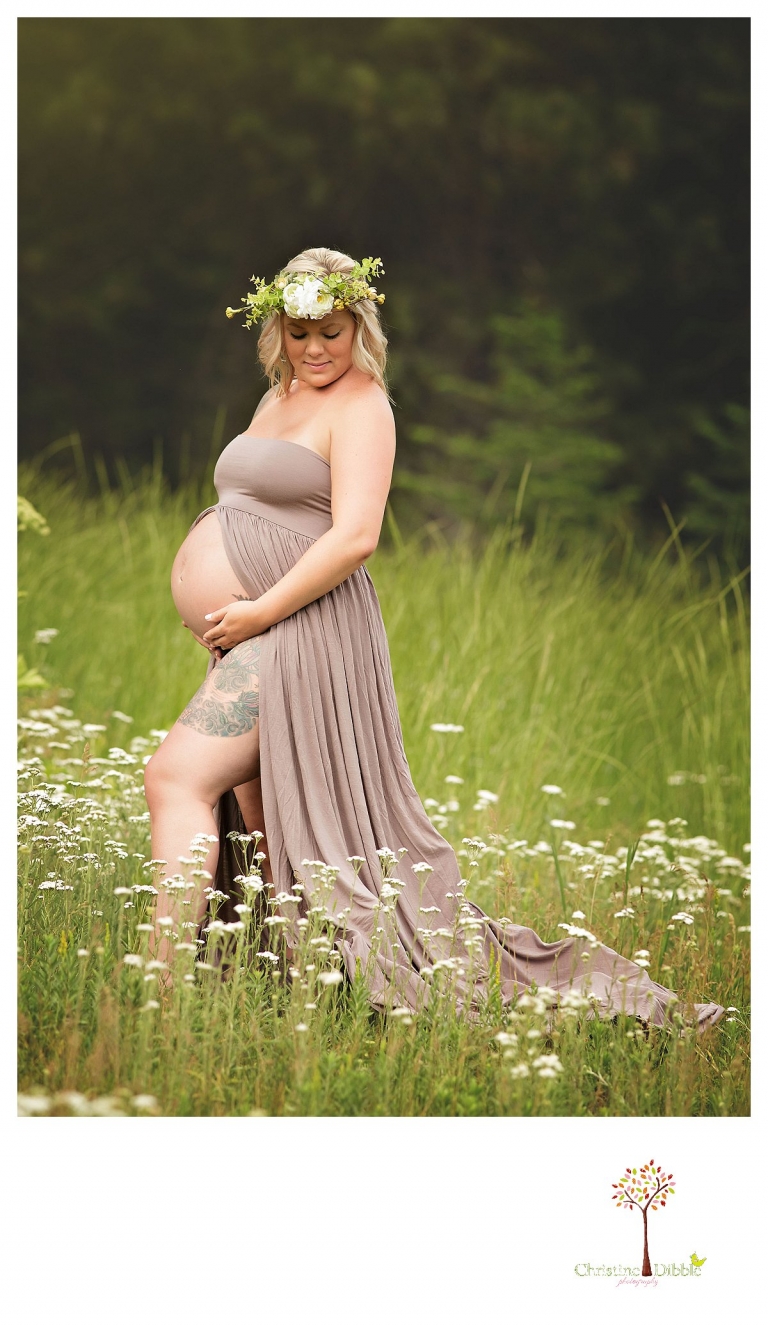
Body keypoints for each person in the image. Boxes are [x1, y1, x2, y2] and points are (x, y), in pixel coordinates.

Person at [144, 246, 724, 1034]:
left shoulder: (363, 407)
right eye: (302, 332)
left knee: (174, 778)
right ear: (276, 328)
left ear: (361, 328)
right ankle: (292, 995)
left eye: (334, 332)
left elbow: (354, 538)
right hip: (255, 635)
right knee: (275, 824)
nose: (317, 349)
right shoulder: (277, 397)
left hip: (301, 633)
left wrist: (256, 612)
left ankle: (161, 994)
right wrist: (229, 621)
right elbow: (260, 511)